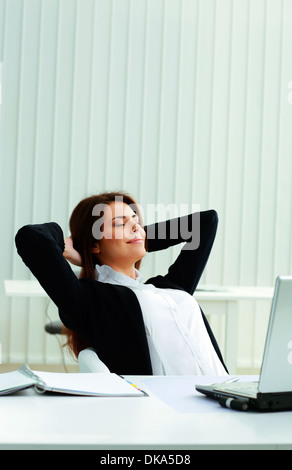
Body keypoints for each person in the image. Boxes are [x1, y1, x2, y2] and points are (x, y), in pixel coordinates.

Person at [15, 191, 228, 375]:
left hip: (226, 393)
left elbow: (205, 223)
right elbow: (31, 237)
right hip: (173, 410)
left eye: (136, 220)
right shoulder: (93, 300)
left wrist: (136, 237)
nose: (136, 226)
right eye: (119, 223)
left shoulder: (167, 287)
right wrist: (72, 245)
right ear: (93, 244)